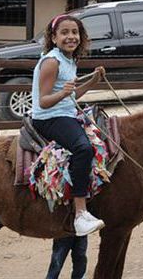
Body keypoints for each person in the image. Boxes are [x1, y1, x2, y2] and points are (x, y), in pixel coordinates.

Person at [32, 14, 106, 236]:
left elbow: (72, 97)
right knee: (83, 148)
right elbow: (43, 102)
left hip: (66, 112)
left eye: (74, 32)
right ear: (54, 38)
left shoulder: (70, 60)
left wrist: (93, 81)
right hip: (48, 118)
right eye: (64, 33)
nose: (70, 37)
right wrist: (64, 92)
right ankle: (80, 213)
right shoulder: (51, 62)